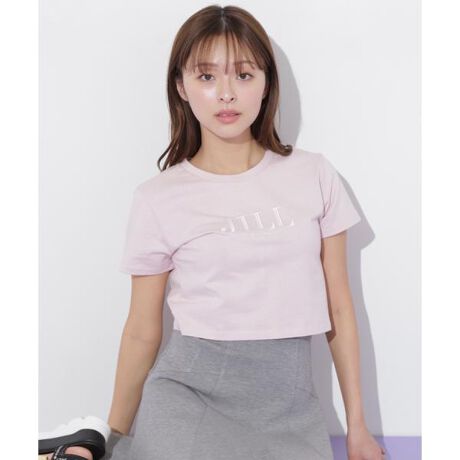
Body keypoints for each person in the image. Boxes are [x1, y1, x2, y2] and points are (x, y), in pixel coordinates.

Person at [43, 4, 386, 460]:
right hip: (189, 393)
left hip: (288, 408)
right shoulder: (158, 198)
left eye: (243, 75)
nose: (226, 94)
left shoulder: (314, 175)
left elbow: (340, 307)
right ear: (181, 87)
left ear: (267, 83)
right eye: (206, 76)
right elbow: (142, 330)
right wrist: (112, 434)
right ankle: (91, 446)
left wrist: (358, 428)